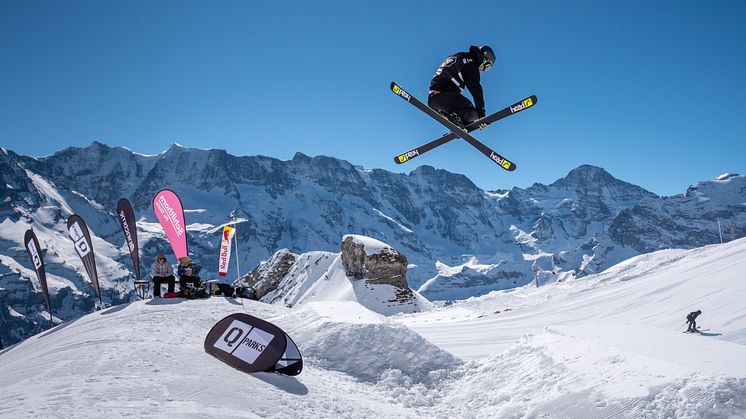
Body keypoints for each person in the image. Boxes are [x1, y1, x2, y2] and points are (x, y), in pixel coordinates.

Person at [428, 45, 496, 129]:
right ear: (484, 59)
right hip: (443, 97)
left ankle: (457, 121)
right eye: (487, 66)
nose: (483, 70)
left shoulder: (461, 56)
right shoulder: (470, 63)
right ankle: (456, 118)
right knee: (472, 112)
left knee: (469, 116)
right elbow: (476, 89)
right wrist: (481, 114)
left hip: (435, 100)